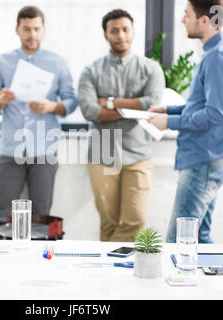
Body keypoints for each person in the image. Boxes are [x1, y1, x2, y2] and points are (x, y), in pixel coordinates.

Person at [149, 0, 223, 243]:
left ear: (205, 20)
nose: (183, 20)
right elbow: (204, 106)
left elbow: (216, 114)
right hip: (207, 158)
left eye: (187, 14)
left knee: (177, 242)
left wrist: (169, 122)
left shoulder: (219, 58)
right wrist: (168, 110)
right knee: (199, 238)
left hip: (205, 161)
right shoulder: (215, 53)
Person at [0, 6, 77, 237]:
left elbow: (72, 102)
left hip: (44, 149)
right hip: (11, 150)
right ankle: (0, 265)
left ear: (43, 30)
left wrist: (52, 106)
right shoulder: (2, 62)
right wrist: (1, 101)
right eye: (27, 29)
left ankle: (36, 267)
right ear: (17, 30)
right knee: (2, 214)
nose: (32, 34)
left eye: (36, 29)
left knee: (41, 217)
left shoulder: (58, 63)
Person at [78, 9, 165, 242]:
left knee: (136, 220)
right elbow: (89, 111)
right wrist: (134, 109)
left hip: (138, 154)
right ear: (106, 35)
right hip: (102, 154)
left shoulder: (151, 69)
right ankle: (108, 276)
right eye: (114, 30)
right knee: (108, 221)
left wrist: (109, 103)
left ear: (133, 31)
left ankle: (107, 263)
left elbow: (153, 104)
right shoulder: (90, 71)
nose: (120, 35)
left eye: (125, 29)